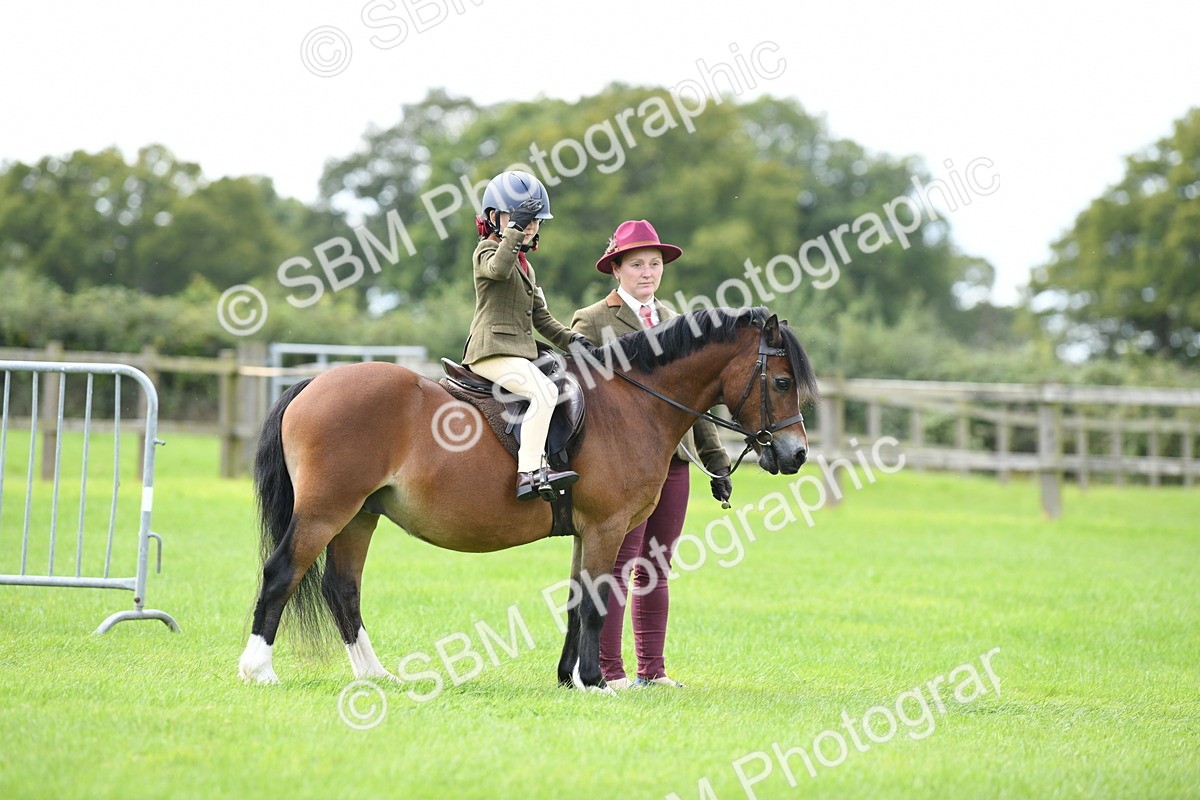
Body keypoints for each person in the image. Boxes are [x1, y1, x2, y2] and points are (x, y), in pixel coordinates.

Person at [570, 219, 733, 688]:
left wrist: (716, 462)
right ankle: (607, 670)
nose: (647, 273)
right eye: (637, 264)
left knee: (656, 568)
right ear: (616, 269)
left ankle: (652, 670)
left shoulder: (676, 322)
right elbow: (579, 392)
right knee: (617, 566)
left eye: (654, 264)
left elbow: (696, 400)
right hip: (619, 466)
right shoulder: (592, 320)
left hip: (674, 461)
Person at [463, 170, 590, 502]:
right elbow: (497, 270)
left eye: (534, 219)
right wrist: (514, 231)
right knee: (543, 392)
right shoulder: (485, 251)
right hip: (490, 350)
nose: (530, 225)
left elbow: (541, 317)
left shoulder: (525, 266)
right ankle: (529, 472)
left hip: (519, 351)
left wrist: (573, 340)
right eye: (520, 217)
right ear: (494, 217)